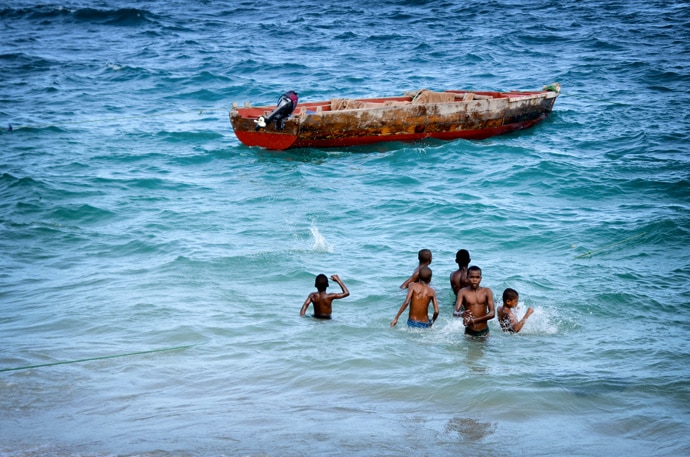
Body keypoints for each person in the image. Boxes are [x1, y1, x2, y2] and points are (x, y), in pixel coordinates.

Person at [454, 266, 495, 337]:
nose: (474, 280)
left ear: (480, 278)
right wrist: (461, 314)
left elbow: (492, 314)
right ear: (467, 278)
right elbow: (455, 312)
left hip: (484, 332)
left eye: (477, 277)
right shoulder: (463, 292)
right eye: (472, 277)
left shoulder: (487, 291)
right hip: (469, 332)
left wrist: (474, 320)